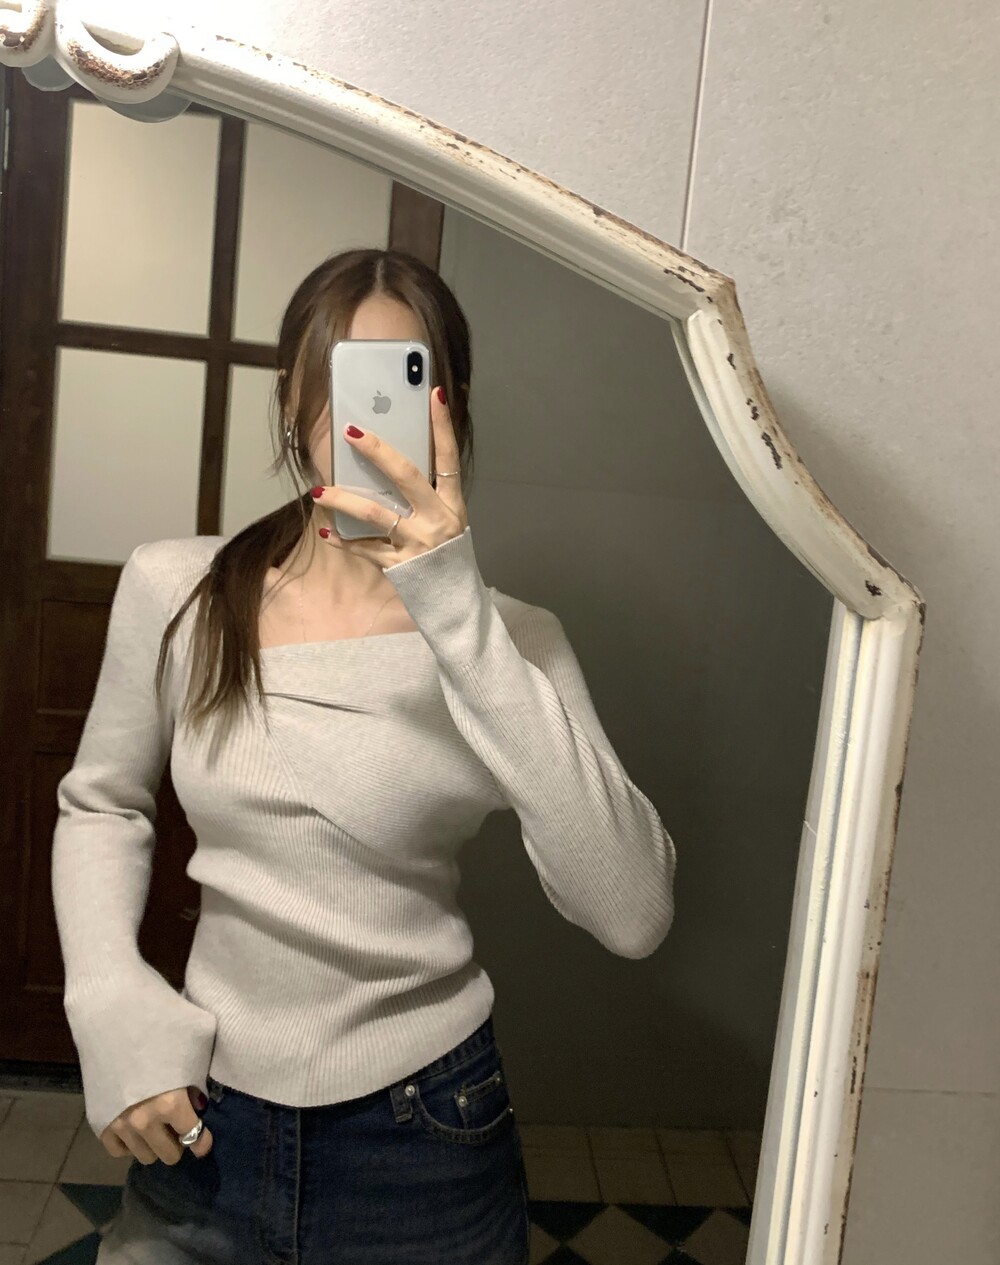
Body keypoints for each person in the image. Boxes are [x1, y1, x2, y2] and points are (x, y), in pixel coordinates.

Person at [51, 247, 677, 1265]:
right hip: (204, 1118)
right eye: (340, 380)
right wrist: (109, 998)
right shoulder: (180, 590)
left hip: (427, 1133)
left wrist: (453, 605)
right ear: (291, 400)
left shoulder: (510, 637)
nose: (362, 419)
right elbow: (103, 804)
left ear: (449, 408)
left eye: (400, 380)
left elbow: (634, 911)